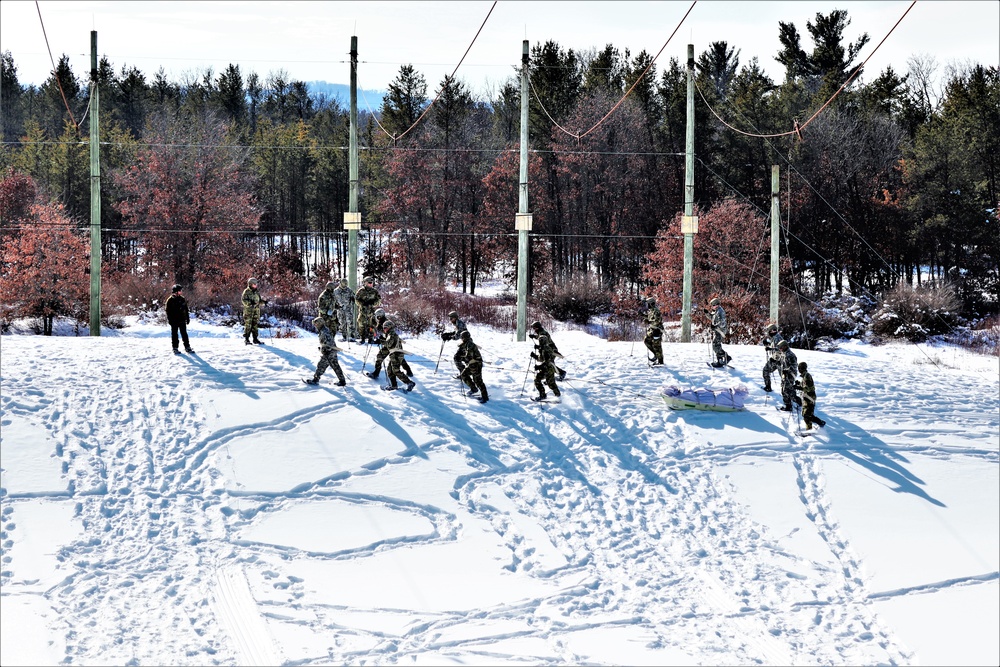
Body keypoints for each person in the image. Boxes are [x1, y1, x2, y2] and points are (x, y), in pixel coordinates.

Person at [367, 308, 413, 379]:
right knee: (380, 357)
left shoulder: (386, 322)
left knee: (400, 359)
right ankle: (376, 373)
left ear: (381, 315)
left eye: (378, 316)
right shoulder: (380, 322)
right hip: (387, 343)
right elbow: (379, 331)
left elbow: (389, 334)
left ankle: (408, 371)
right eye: (377, 316)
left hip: (393, 344)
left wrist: (381, 340)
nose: (377, 317)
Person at [304, 317, 347, 387]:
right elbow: (325, 342)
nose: (315, 325)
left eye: (316, 324)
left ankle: (315, 380)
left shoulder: (324, 331)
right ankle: (342, 381)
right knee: (335, 366)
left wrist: (325, 350)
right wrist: (322, 347)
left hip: (329, 352)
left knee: (321, 366)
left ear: (320, 323)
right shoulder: (323, 330)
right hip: (331, 351)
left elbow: (329, 343)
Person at [379, 320, 415, 392]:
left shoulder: (392, 335)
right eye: (384, 328)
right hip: (394, 355)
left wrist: (381, 341)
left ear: (389, 327)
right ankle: (394, 386)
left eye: (385, 328)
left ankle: (410, 383)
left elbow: (389, 345)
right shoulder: (390, 334)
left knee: (396, 371)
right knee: (390, 370)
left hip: (397, 355)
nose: (384, 329)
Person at [529, 321, 561, 401]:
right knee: (551, 383)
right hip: (549, 368)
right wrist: (535, 356)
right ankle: (558, 396)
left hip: (548, 368)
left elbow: (547, 361)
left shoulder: (546, 350)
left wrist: (539, 366)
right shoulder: (543, 348)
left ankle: (543, 395)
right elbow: (541, 359)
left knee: (537, 380)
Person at [456, 330, 489, 403]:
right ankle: (473, 389)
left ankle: (485, 397)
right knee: (464, 375)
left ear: (465, 338)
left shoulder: (470, 345)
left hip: (476, 364)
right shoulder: (466, 343)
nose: (461, 339)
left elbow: (468, 357)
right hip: (471, 364)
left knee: (478, 381)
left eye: (462, 337)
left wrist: (461, 358)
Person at [795, 361, 826, 429]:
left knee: (807, 415)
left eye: (800, 368)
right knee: (805, 414)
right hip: (806, 398)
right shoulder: (804, 376)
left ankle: (810, 430)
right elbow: (805, 385)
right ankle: (819, 423)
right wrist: (799, 384)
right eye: (799, 368)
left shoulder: (807, 376)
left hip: (810, 398)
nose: (799, 370)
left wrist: (799, 387)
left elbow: (809, 388)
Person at [165, 284, 194, 354]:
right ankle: (175, 348)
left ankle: (187, 347)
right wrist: (170, 320)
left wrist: (187, 318)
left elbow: (186, 309)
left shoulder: (182, 299)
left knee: (184, 334)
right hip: (174, 320)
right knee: (175, 334)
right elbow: (167, 311)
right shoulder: (170, 300)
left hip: (182, 320)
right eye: (179, 291)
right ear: (175, 292)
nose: (181, 292)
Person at [440, 310, 469, 376]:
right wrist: (448, 334)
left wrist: (450, 337)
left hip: (466, 344)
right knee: (464, 358)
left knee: (457, 358)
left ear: (455, 318)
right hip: (464, 343)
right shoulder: (457, 323)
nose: (450, 320)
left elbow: (458, 335)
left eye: (451, 318)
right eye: (449, 318)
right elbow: (456, 332)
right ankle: (465, 373)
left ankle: (464, 374)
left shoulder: (460, 324)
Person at [241, 277, 268, 345]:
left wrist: (264, 302)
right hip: (249, 312)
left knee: (255, 325)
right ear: (250, 284)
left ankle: (255, 339)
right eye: (254, 284)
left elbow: (258, 301)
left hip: (256, 311)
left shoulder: (256, 292)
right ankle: (246, 339)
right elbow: (244, 300)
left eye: (256, 284)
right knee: (248, 325)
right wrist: (250, 303)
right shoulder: (246, 291)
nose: (256, 285)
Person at [355, 277, 381, 344]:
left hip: (371, 312)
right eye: (369, 283)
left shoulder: (374, 291)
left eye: (371, 283)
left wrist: (372, 303)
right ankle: (362, 338)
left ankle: (371, 338)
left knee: (371, 325)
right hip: (363, 311)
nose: (371, 284)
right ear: (365, 283)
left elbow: (379, 300)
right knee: (361, 325)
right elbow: (356, 300)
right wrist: (362, 303)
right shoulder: (361, 291)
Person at [708, 297, 732, 367]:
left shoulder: (721, 312)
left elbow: (723, 323)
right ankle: (720, 360)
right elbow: (712, 318)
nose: (712, 307)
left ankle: (726, 357)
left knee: (716, 345)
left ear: (716, 304)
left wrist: (715, 326)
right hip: (717, 330)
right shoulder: (716, 311)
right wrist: (707, 313)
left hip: (720, 331)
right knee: (716, 345)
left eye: (712, 305)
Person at [777, 339, 799, 411]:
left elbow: (795, 365)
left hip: (790, 375)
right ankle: (796, 402)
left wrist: (788, 370)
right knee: (788, 390)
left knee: (785, 390)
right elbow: (782, 362)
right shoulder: (784, 353)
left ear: (785, 346)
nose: (780, 349)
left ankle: (788, 406)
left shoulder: (791, 355)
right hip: (785, 375)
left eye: (781, 347)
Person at [761, 323, 784, 392]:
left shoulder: (777, 338)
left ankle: (788, 394)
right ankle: (768, 387)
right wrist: (767, 345)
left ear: (772, 331)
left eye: (769, 331)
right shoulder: (775, 337)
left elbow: (780, 348)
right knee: (766, 370)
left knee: (784, 378)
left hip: (779, 361)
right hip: (776, 359)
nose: (768, 333)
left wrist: (770, 349)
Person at [642, 297, 664, 366]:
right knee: (646, 341)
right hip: (651, 329)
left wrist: (648, 322)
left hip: (657, 330)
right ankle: (656, 355)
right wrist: (643, 315)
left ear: (651, 304)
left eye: (648, 304)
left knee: (657, 346)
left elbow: (657, 321)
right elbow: (650, 318)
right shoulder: (651, 310)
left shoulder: (656, 311)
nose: (647, 305)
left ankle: (660, 361)